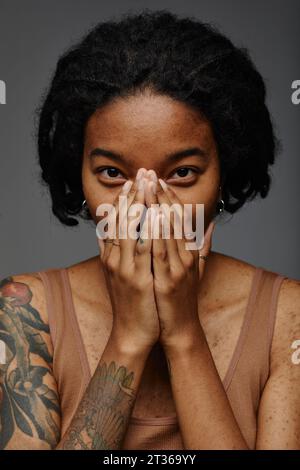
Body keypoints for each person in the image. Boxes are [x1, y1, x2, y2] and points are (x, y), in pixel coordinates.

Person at [0, 9, 299, 451]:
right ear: (77, 174)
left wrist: (182, 332)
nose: (145, 206)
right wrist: (130, 337)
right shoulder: (25, 313)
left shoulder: (288, 318)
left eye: (181, 173)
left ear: (224, 173)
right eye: (111, 174)